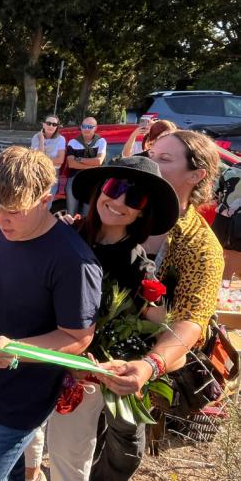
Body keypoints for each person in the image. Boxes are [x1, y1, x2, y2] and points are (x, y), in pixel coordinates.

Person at [0, 146, 102, 480]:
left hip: (21, 399)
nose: (0, 219)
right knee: (14, 471)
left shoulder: (73, 260)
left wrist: (19, 349)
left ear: (46, 199)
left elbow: (79, 337)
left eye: (13, 211)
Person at [37, 156, 179, 481]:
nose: (117, 202)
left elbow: (153, 329)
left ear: (143, 211)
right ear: (100, 188)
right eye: (114, 188)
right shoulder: (65, 231)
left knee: (70, 455)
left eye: (134, 198)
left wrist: (154, 299)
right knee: (28, 436)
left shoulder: (140, 269)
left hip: (86, 376)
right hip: (38, 354)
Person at [95, 130, 224, 480]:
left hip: (140, 363)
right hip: (85, 349)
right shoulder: (121, 205)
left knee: (124, 443)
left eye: (165, 159)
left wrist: (149, 365)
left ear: (195, 176)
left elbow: (191, 322)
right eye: (151, 152)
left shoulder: (201, 245)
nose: (152, 161)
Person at [65, 117, 107, 215]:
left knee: (87, 214)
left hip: (92, 181)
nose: (86, 129)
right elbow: (71, 164)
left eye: (90, 126)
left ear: (95, 128)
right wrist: (91, 166)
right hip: (74, 180)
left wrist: (79, 159)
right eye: (84, 126)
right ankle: (71, 230)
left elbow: (98, 161)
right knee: (71, 213)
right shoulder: (73, 142)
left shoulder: (101, 141)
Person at [212, 163, 241, 276]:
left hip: (222, 220)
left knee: (214, 250)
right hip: (238, 223)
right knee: (235, 258)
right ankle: (226, 284)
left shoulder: (229, 171)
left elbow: (215, 192)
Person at [31, 114, 66, 206]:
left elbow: (60, 160)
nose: (51, 126)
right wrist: (42, 140)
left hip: (52, 174)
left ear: (57, 127)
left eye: (54, 124)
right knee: (33, 204)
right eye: (48, 123)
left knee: (46, 205)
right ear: (43, 124)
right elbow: (36, 157)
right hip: (36, 173)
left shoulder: (61, 139)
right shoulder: (36, 137)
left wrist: (42, 160)